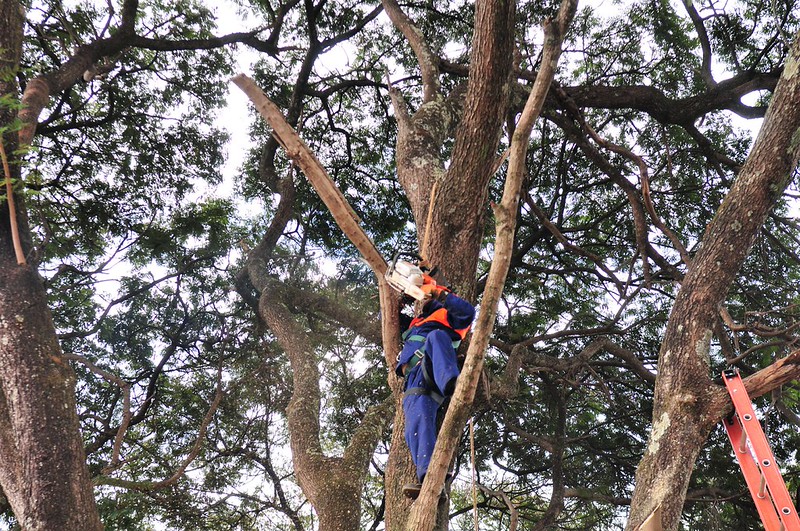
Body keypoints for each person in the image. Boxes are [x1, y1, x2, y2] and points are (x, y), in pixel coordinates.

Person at [395, 275, 475, 499]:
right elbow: (392, 319)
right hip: (414, 378)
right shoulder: (416, 324)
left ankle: (452, 383)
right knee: (416, 420)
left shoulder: (447, 317)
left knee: (437, 337)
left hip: (435, 364)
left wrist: (440, 293)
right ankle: (429, 480)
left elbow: (468, 313)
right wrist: (400, 299)